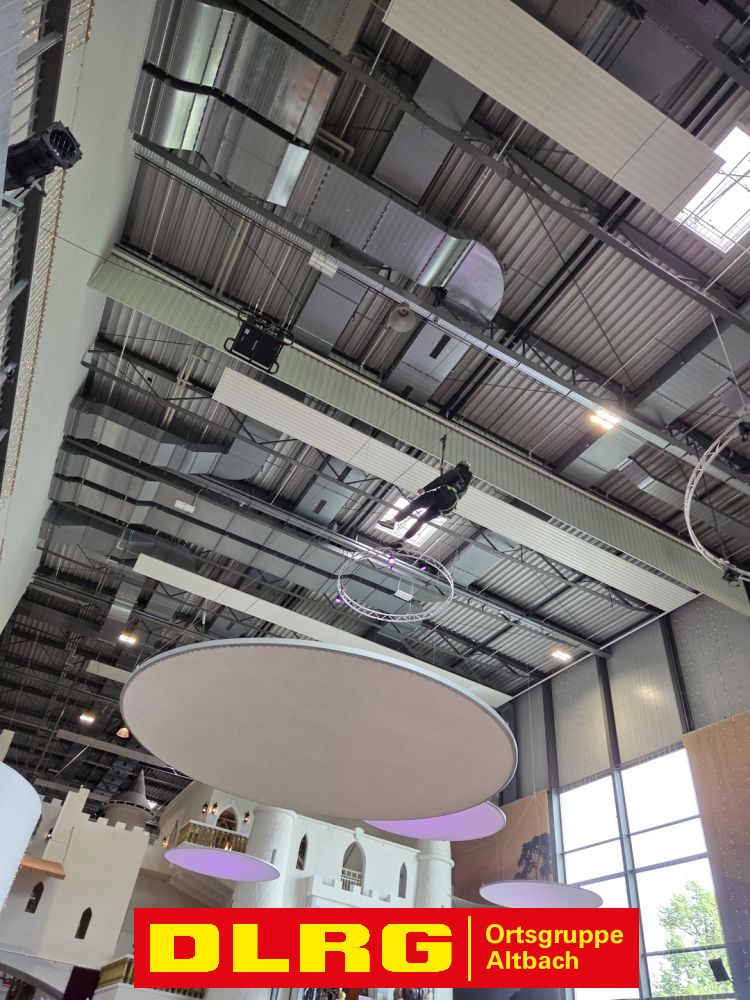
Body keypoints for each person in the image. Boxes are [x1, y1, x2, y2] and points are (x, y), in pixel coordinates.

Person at [379, 461, 472, 543]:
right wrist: (443, 473)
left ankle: (393, 521)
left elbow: (440, 481)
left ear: (459, 466)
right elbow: (453, 488)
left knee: (414, 505)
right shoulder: (466, 484)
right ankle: (403, 540)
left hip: (441, 495)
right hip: (447, 506)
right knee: (422, 520)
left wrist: (425, 489)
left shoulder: (456, 471)